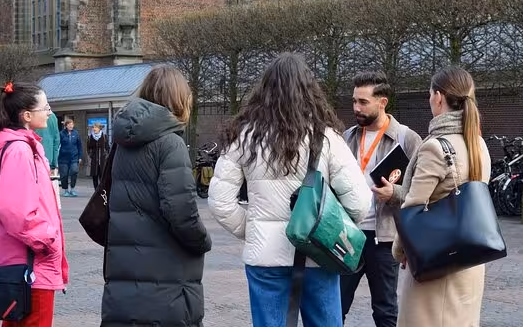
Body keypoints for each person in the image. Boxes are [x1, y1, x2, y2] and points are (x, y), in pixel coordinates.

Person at [208, 53, 371, 327]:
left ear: (264, 91)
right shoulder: (326, 138)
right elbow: (360, 202)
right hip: (319, 255)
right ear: (309, 91)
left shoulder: (243, 138)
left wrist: (254, 229)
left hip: (265, 260)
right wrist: (328, 229)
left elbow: (220, 202)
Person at [102, 65, 212, 326]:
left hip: (125, 262)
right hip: (166, 272)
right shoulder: (170, 143)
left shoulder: (121, 141)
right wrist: (202, 240)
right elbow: (181, 210)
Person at [392, 66, 491, 327]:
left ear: (438, 97)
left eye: (429, 94)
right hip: (470, 260)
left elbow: (413, 209)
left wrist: (400, 251)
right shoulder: (478, 143)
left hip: (436, 262)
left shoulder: (436, 147)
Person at [0, 82, 68, 327]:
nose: (49, 112)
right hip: (30, 265)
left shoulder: (20, 146)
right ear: (27, 116)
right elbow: (15, 210)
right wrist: (47, 240)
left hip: (24, 263)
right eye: (45, 107)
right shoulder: (19, 150)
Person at [340, 72, 421, 327]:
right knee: (335, 306)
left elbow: (422, 192)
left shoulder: (407, 139)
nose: (356, 108)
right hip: (348, 235)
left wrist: (394, 193)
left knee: (385, 311)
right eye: (354, 101)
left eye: (363, 102)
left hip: (384, 239)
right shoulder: (348, 137)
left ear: (382, 102)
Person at [35, 112, 61, 208]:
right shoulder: (52, 116)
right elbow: (56, 140)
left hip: (33, 158)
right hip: (48, 159)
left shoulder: (28, 113)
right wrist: (54, 162)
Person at [58, 117, 82, 197]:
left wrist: (80, 156)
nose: (71, 126)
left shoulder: (76, 133)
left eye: (72, 124)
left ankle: (72, 189)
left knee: (74, 171)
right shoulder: (61, 134)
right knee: (64, 174)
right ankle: (65, 190)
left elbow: (79, 146)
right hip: (63, 158)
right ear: (66, 125)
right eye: (69, 124)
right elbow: (58, 146)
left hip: (74, 157)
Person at [86, 122, 108, 189]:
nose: (94, 128)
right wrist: (91, 155)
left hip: (102, 161)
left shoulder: (104, 136)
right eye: (93, 127)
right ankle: (96, 191)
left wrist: (105, 155)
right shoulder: (90, 137)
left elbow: (107, 147)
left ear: (99, 128)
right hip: (94, 161)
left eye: (95, 127)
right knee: (94, 177)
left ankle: (101, 190)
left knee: (102, 177)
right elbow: (88, 148)